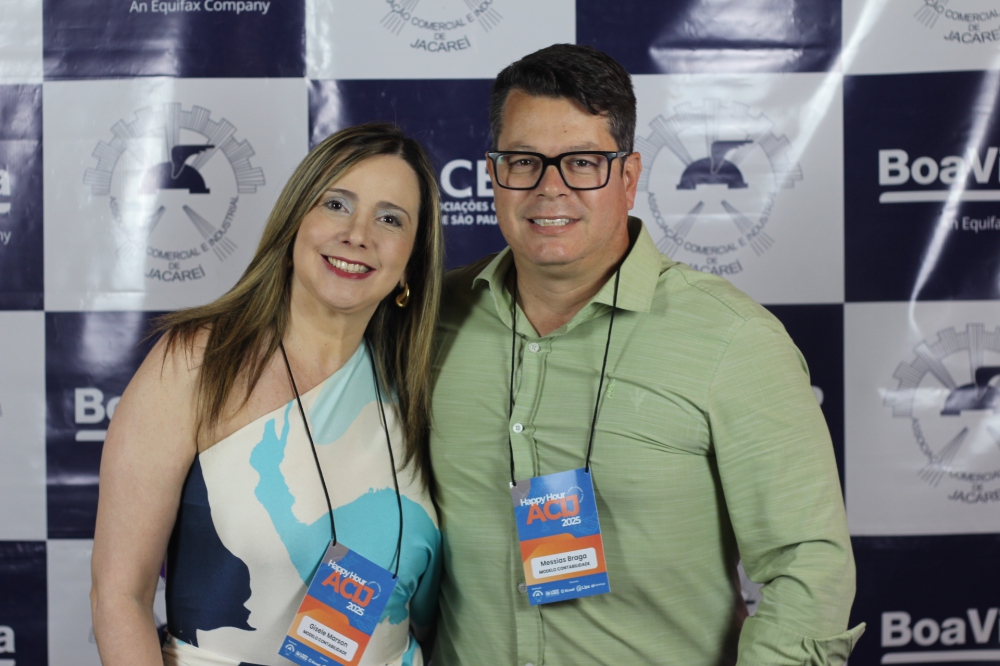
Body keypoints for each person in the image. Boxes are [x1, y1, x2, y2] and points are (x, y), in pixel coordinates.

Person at [430, 44, 865, 665]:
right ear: (494, 175)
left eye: (582, 162)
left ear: (629, 178)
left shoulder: (733, 338)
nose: (550, 188)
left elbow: (809, 566)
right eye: (524, 161)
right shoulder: (429, 323)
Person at [90, 123, 444, 666]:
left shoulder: (422, 383)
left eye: (390, 219)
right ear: (294, 222)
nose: (358, 234)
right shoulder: (196, 362)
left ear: (411, 263)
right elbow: (119, 596)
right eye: (336, 205)